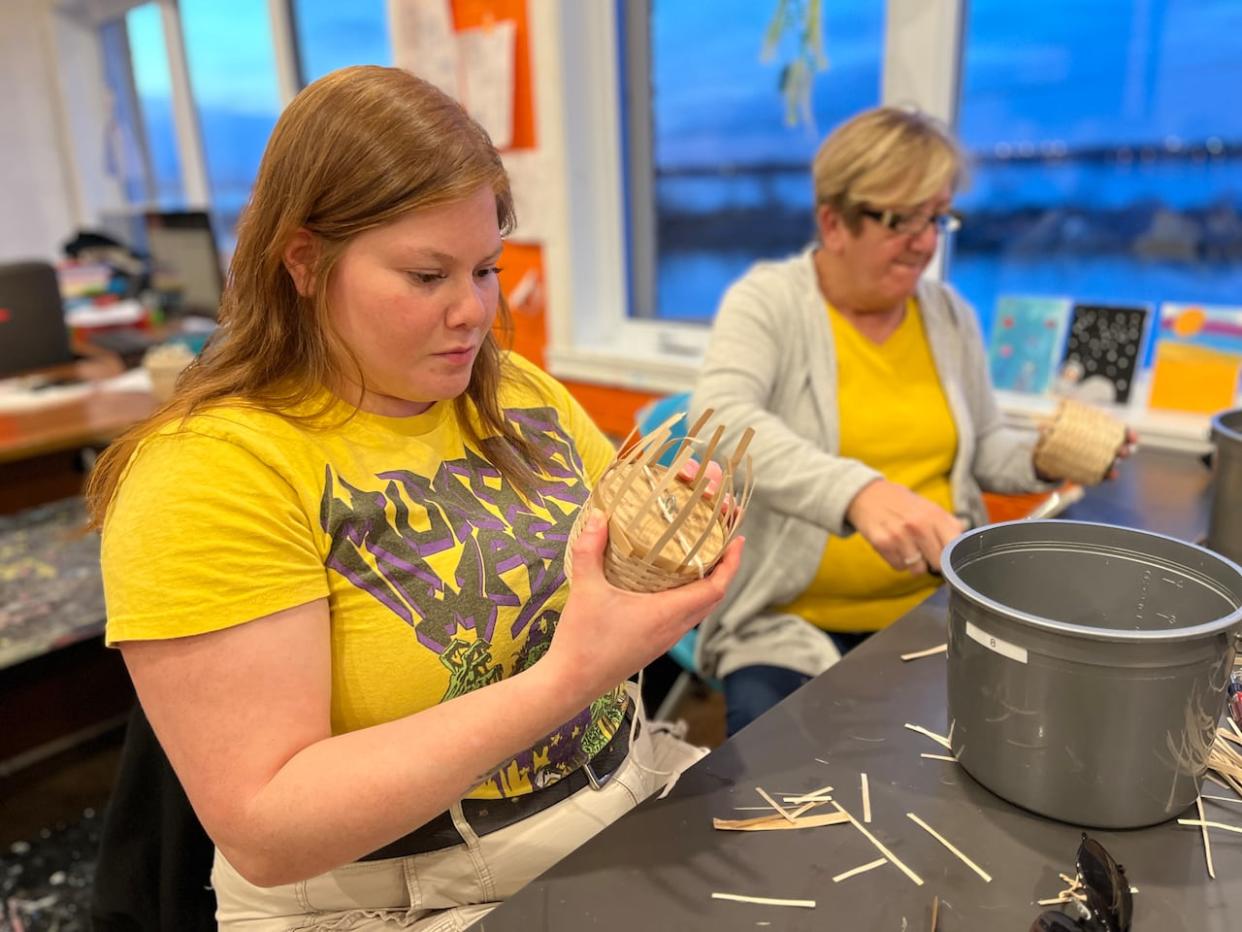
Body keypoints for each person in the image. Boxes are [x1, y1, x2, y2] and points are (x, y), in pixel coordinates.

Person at [86, 66, 741, 930]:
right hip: (406, 894)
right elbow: (268, 828)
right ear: (304, 262)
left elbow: (605, 583)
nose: (473, 312)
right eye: (428, 277)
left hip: (619, 794)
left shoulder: (520, 397)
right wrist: (573, 675)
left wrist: (661, 547)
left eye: (486, 268)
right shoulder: (209, 473)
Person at [689, 106, 1130, 736]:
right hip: (787, 625)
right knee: (772, 789)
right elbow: (721, 421)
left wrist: (1047, 456)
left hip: (937, 609)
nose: (926, 242)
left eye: (935, 217)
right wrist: (858, 491)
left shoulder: (949, 315)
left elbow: (983, 448)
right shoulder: (768, 303)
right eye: (901, 220)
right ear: (833, 222)